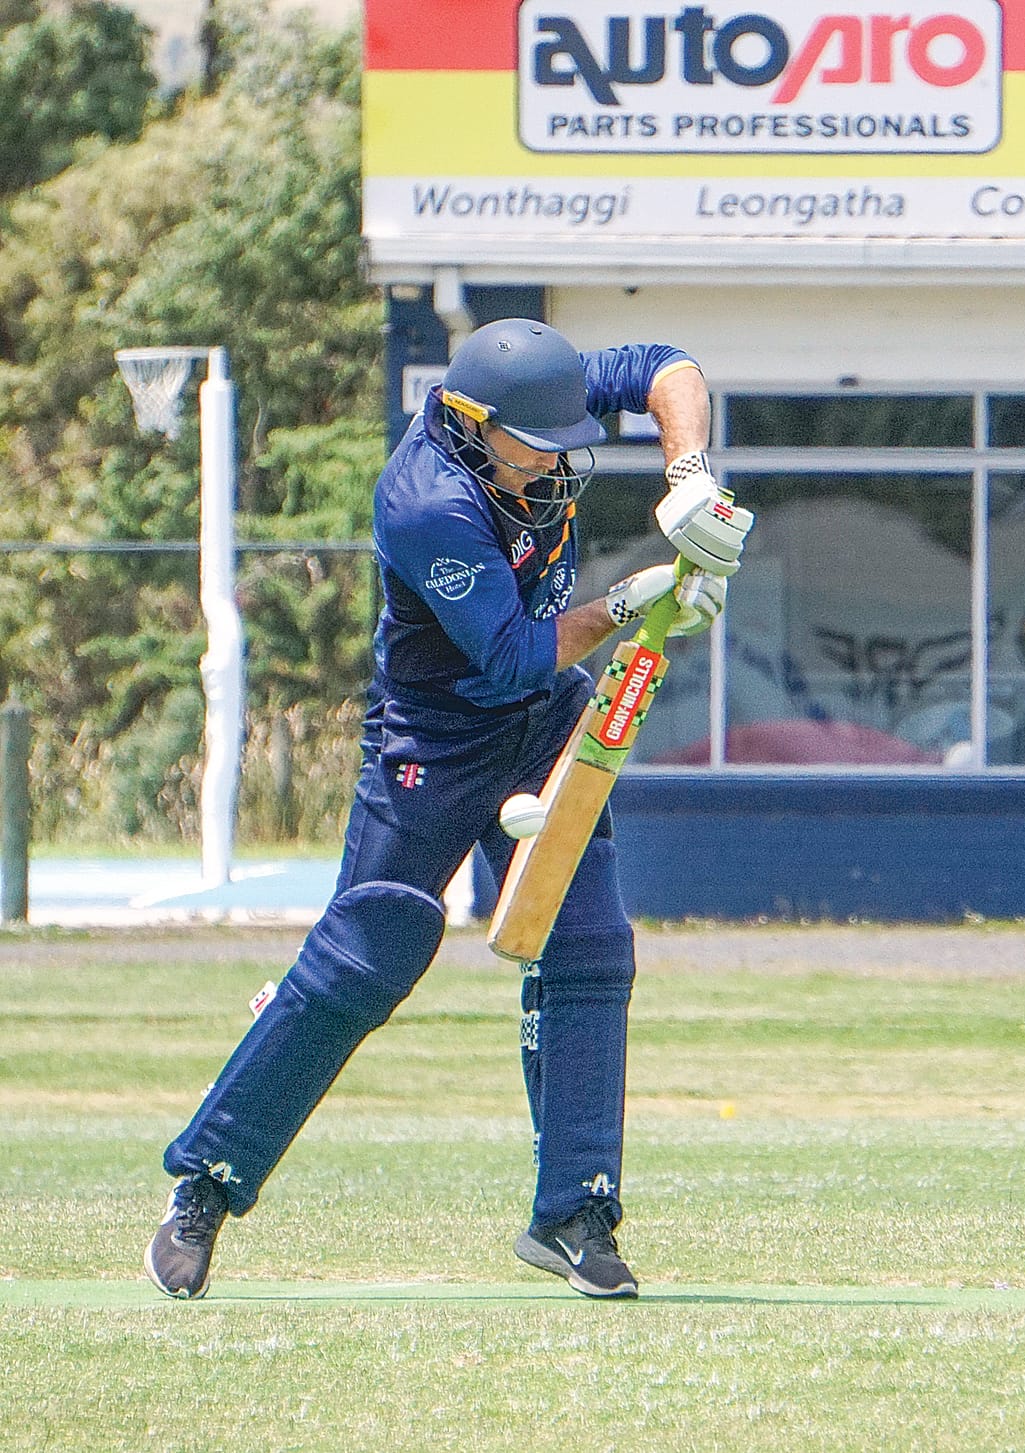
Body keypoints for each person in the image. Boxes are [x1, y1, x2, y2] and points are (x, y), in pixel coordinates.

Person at [144, 318, 750, 1300]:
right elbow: (509, 655)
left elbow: (668, 367)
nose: (555, 464)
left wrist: (689, 476)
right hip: (432, 738)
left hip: (544, 723)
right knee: (365, 955)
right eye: (535, 449)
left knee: (589, 946)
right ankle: (205, 1185)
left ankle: (574, 1213)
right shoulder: (426, 500)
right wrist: (633, 602)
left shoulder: (536, 388)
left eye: (566, 443)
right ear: (472, 424)